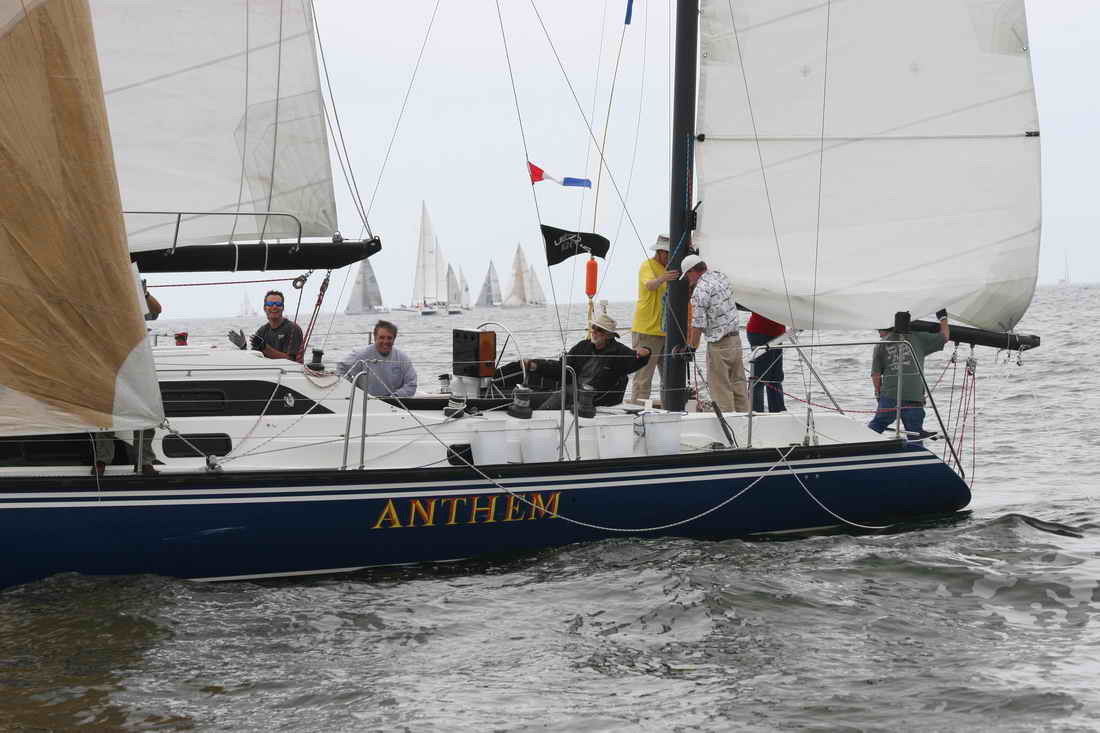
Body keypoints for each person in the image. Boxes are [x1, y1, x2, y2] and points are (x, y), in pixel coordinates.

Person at [92, 283, 162, 476]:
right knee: (104, 417)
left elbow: (156, 311)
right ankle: (102, 460)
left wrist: (144, 293)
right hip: (109, 368)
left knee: (145, 414)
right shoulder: (98, 311)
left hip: (136, 368)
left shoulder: (134, 307)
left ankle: (144, 461)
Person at [526, 313, 650, 410]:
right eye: (593, 328)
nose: (594, 331)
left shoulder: (619, 352)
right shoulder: (583, 346)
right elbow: (562, 367)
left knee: (562, 394)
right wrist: (536, 366)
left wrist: (646, 352)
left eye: (599, 329)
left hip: (594, 398)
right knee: (529, 397)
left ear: (608, 335)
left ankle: (538, 422)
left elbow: (636, 361)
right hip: (572, 392)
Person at [680, 254, 750, 413]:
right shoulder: (721, 277)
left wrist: (691, 348)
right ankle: (745, 419)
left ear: (692, 271)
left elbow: (698, 325)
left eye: (687, 275)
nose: (688, 280)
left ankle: (727, 423)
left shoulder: (700, 291)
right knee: (739, 384)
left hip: (719, 344)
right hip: (735, 340)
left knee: (720, 388)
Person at [867, 310, 950, 436]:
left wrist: (878, 394)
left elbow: (876, 375)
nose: (879, 334)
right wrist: (943, 318)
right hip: (914, 396)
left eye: (879, 330)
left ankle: (860, 444)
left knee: (876, 426)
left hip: (890, 396)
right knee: (915, 433)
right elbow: (944, 337)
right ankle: (916, 447)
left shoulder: (881, 345)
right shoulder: (919, 338)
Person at [629, 235, 679, 404]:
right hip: (647, 331)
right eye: (668, 254)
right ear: (660, 252)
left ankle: (669, 409)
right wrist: (663, 278)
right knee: (643, 377)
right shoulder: (647, 265)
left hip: (666, 332)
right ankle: (637, 410)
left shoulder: (671, 268)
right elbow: (650, 285)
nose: (670, 257)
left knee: (670, 377)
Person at [336, 320, 418, 398]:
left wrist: (395, 396)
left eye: (389, 338)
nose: (385, 341)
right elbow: (341, 367)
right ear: (375, 338)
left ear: (394, 339)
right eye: (382, 337)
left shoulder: (402, 358)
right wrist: (352, 389)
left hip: (394, 402)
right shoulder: (361, 354)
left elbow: (411, 384)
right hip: (365, 401)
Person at [227, 290, 304, 362]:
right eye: (270, 304)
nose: (274, 307)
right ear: (264, 308)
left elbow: (291, 361)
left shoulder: (293, 329)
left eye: (278, 304)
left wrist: (265, 348)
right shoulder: (262, 331)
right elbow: (254, 358)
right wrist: (244, 348)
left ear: (283, 308)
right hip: (267, 370)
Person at [746, 312, 786, 413]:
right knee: (759, 378)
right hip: (760, 333)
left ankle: (778, 411)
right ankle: (756, 412)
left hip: (777, 335)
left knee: (776, 377)